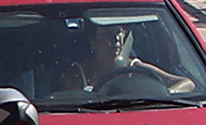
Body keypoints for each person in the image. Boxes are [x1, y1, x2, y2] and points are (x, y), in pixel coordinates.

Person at [50, 16, 197, 103]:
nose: (115, 39)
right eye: (107, 34)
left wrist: (164, 94)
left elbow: (186, 83)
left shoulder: (137, 68)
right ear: (93, 41)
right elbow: (64, 101)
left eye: (118, 33)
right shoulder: (77, 73)